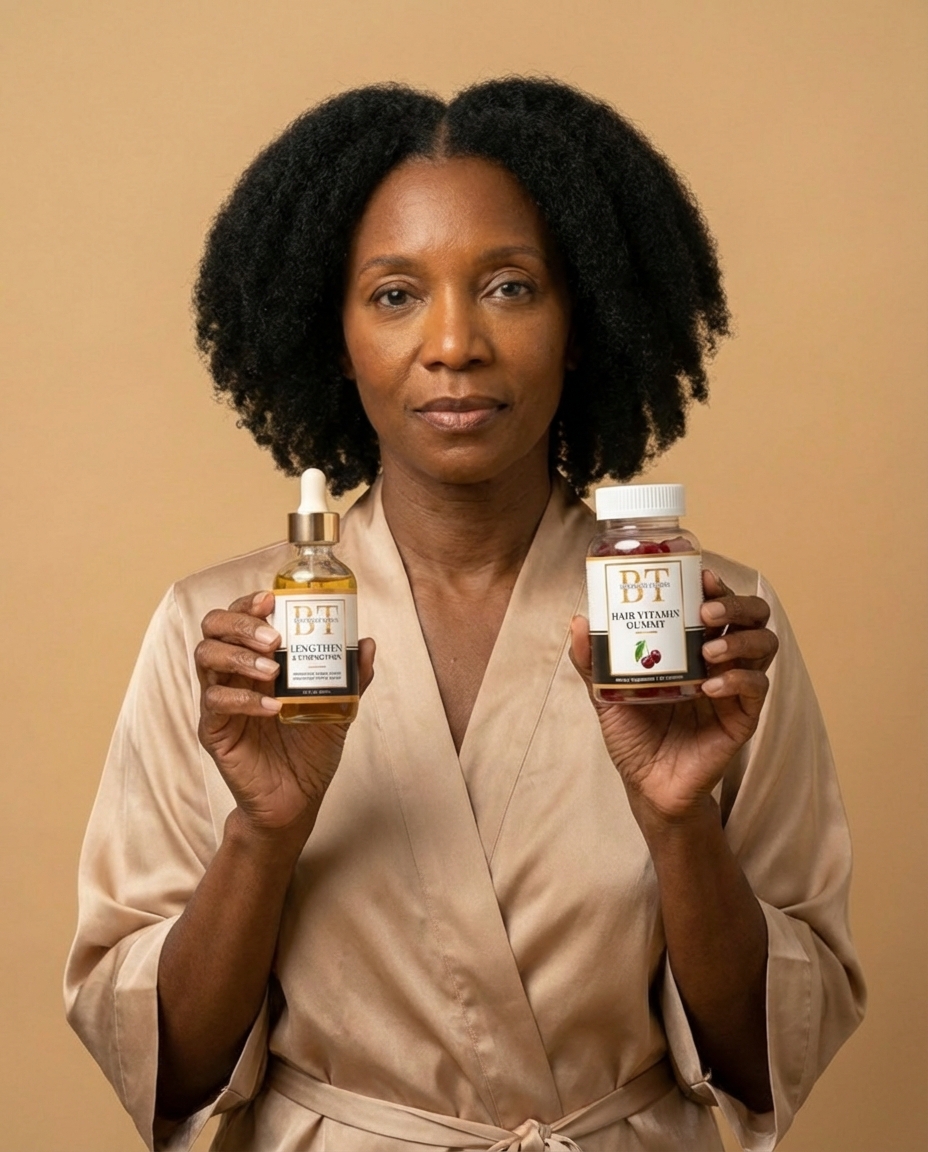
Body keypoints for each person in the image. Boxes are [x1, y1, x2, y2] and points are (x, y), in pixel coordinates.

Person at [65, 78, 864, 1152]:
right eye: (395, 294)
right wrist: (264, 831)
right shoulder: (225, 634)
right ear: (331, 331)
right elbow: (168, 1063)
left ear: (583, 321)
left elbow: (762, 1056)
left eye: (509, 287)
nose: (454, 344)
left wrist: (679, 827)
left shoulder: (708, 630)